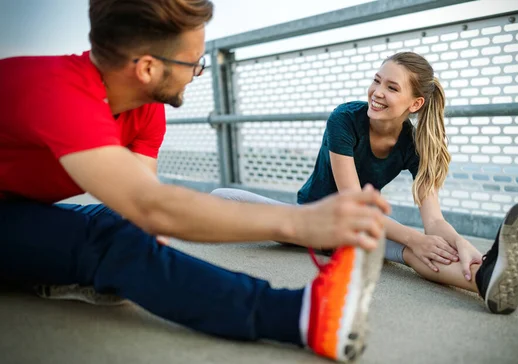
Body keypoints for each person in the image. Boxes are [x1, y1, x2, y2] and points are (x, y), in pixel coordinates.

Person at [0, 0, 393, 362]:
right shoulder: (56, 91)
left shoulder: (145, 110)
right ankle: (304, 316)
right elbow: (152, 207)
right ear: (148, 68)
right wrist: (303, 222)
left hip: (16, 207)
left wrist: (145, 245)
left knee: (121, 230)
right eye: (194, 62)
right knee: (109, 243)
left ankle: (53, 270)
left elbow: (140, 211)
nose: (197, 73)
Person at [211, 51, 518, 314]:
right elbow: (353, 202)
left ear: (415, 104)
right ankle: (483, 268)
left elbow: (434, 221)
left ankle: (485, 278)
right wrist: (415, 238)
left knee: (420, 252)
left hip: (358, 235)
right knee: (223, 197)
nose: (377, 92)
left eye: (391, 87)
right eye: (377, 81)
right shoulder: (345, 119)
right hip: (311, 222)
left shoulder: (415, 146)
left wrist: (462, 246)